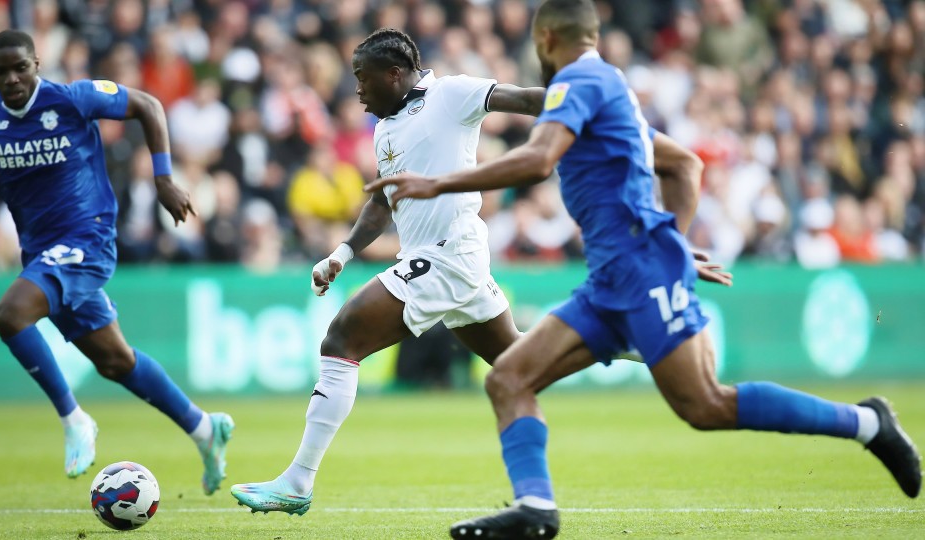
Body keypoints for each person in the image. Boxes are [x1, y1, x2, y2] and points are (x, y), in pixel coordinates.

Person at [365, 1, 922, 538]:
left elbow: (538, 161)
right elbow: (684, 166)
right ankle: (536, 507)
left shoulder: (581, 83)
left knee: (705, 405)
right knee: (509, 378)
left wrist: (438, 183)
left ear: (547, 39)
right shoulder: (604, 93)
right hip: (611, 279)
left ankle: (867, 423)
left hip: (639, 274)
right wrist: (669, 241)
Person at [231, 27, 729, 516]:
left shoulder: (451, 93)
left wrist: (591, 110)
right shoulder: (384, 127)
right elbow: (383, 202)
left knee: (342, 339)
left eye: (363, 77)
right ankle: (628, 337)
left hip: (450, 253)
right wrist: (342, 253)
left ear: (395, 73)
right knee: (517, 358)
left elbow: (526, 99)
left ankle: (298, 480)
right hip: (437, 257)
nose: (357, 89)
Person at [0, 30, 234, 494]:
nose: (11, 79)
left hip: (87, 239)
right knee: (115, 360)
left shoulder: (73, 99)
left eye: (20, 68)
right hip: (41, 252)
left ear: (37, 65)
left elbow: (148, 105)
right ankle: (205, 429)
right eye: (0, 71)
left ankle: (74, 419)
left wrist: (163, 179)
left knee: (9, 315)